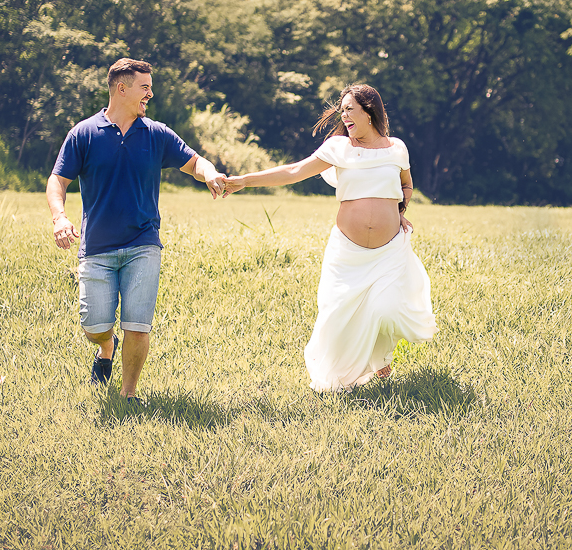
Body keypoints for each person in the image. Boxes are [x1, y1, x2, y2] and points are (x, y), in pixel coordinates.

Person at [222, 84, 436, 391]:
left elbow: (406, 184)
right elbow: (294, 171)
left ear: (369, 111)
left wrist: (399, 209)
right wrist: (244, 181)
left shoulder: (396, 148)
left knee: (385, 309)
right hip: (348, 253)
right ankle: (347, 376)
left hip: (388, 251)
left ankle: (380, 356)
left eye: (350, 109)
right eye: (342, 110)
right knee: (338, 318)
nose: (344, 115)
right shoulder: (339, 148)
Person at [47, 58, 226, 400]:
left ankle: (128, 395)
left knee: (138, 326)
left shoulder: (156, 133)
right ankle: (105, 347)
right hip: (97, 246)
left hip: (144, 243)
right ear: (121, 88)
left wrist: (211, 172)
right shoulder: (84, 133)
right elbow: (58, 180)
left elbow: (194, 162)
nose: (150, 94)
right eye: (145, 87)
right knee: (94, 325)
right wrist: (60, 217)